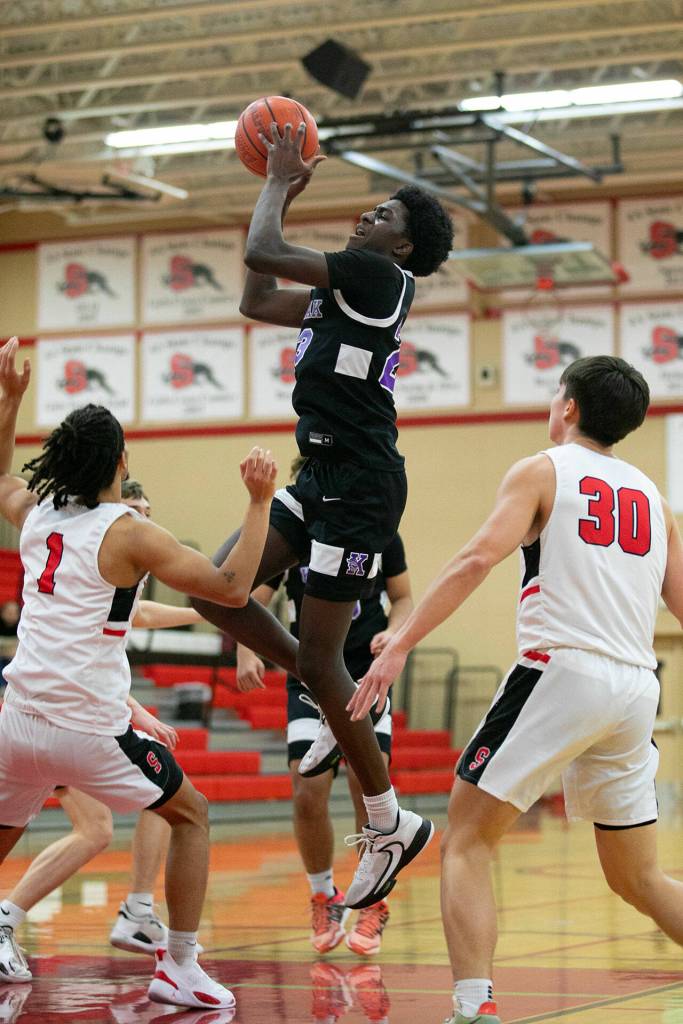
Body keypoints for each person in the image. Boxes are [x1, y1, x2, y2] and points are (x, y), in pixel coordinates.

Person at [351, 355, 683, 1024]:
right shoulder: (654, 498)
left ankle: (474, 1008)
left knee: (467, 839)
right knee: (636, 877)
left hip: (561, 671)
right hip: (633, 687)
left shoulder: (542, 469)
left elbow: (476, 557)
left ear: (567, 408)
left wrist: (405, 639)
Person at [192, 122, 453, 909]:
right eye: (370, 209)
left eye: (383, 216)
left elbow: (265, 249)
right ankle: (321, 681)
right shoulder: (342, 291)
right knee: (214, 588)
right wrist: (281, 190)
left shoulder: (376, 280)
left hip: (363, 487)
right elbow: (254, 294)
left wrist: (276, 180)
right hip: (321, 474)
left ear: (400, 248)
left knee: (317, 661)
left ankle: (387, 821)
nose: (365, 219)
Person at [0, 337, 276, 1010]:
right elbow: (233, 587)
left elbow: (1, 476)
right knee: (191, 815)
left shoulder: (35, 515)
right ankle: (177, 962)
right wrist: (259, 501)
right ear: (120, 461)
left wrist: (9, 400)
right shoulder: (126, 530)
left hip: (15, 717)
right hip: (86, 727)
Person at [0, 475, 207, 961]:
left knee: (131, 813)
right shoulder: (97, 550)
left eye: (148, 513)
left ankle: (136, 909)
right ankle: (15, 919)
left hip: (57, 714)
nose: (143, 521)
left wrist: (205, 613)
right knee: (109, 824)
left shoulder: (118, 564)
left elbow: (138, 622)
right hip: (50, 715)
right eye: (136, 510)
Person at [236, 499, 412, 954]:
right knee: (305, 786)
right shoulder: (295, 529)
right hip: (310, 672)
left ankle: (375, 901)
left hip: (363, 671)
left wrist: (395, 631)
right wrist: (245, 648)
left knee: (365, 783)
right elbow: (255, 596)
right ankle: (323, 893)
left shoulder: (378, 525)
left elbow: (404, 596)